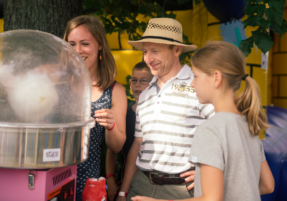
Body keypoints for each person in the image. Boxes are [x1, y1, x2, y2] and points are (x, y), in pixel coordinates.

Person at [131, 41, 275, 201]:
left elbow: (211, 198)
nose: (192, 83)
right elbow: (267, 185)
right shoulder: (248, 125)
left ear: (216, 78)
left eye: (196, 76)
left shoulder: (209, 130)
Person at [116, 18, 215, 201]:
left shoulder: (198, 84)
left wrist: (205, 172)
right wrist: (123, 191)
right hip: (140, 185)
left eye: (155, 51)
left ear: (177, 50)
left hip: (182, 191)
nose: (148, 58)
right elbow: (138, 144)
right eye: (145, 51)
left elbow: (226, 134)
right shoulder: (145, 94)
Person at [63, 16, 127, 201]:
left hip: (89, 183)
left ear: (100, 45)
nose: (77, 51)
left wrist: (111, 125)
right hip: (54, 178)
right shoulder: (58, 84)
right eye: (71, 44)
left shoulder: (115, 90)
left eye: (84, 43)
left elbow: (116, 146)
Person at [106, 62, 153, 201]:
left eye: (144, 80)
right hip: (124, 183)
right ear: (130, 84)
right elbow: (112, 150)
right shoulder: (123, 116)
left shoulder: (159, 117)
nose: (138, 84)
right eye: (134, 80)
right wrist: (110, 179)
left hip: (151, 185)